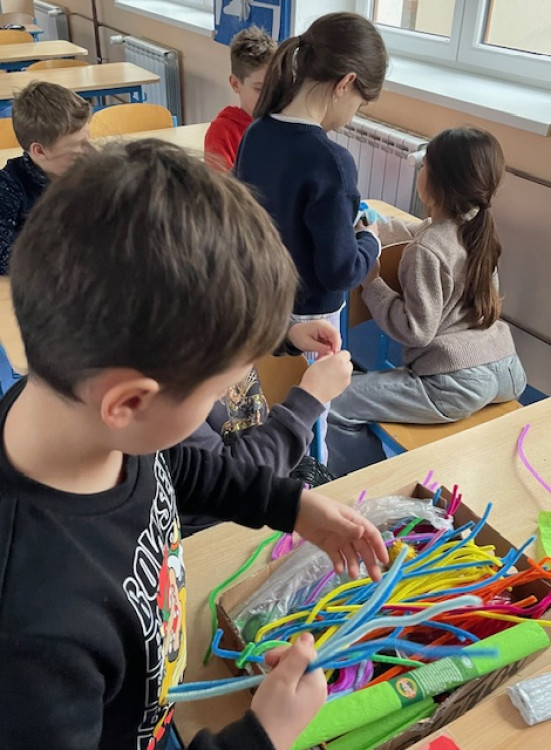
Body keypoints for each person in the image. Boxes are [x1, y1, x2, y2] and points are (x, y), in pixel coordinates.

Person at [0, 139, 388, 750]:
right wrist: (262, 735)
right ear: (130, 402)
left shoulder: (78, 415)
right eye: (215, 392)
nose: (224, 399)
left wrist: (289, 505)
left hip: (154, 697)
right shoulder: (34, 633)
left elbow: (173, 466)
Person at [234, 12, 388, 461]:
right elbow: (340, 270)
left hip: (259, 306)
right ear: (346, 83)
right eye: (359, 103)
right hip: (310, 320)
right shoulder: (331, 161)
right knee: (308, 422)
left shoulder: (256, 132)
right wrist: (370, 241)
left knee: (259, 411)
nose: (353, 116)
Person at [330, 127, 527, 437]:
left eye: (425, 166)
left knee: (330, 401)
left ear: (435, 184)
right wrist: (370, 227)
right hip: (507, 370)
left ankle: (380, 462)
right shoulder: (476, 228)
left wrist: (372, 281)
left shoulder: (426, 250)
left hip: (453, 384)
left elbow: (416, 331)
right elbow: (417, 230)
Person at [181, 318, 350, 533]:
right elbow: (232, 482)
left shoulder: (203, 327)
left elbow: (239, 322)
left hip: (261, 481)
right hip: (215, 523)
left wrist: (287, 333)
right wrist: (310, 399)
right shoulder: (171, 400)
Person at [0, 81, 91, 275]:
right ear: (40, 151)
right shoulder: (8, 187)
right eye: (76, 147)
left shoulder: (90, 173)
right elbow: (2, 255)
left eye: (87, 140)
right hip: (43, 283)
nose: (87, 152)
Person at [204, 26, 276, 170]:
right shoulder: (222, 133)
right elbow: (220, 183)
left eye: (275, 86)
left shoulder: (282, 124)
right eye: (259, 89)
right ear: (236, 84)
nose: (269, 96)